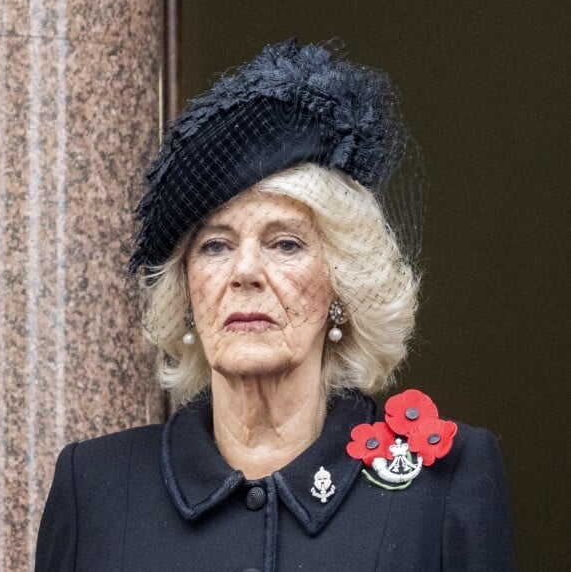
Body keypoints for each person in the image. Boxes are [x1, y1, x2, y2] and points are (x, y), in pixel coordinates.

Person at [35, 38, 515, 571]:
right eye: (215, 246)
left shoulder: (445, 484)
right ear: (187, 292)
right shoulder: (94, 487)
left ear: (342, 285)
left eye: (285, 243)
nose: (244, 272)